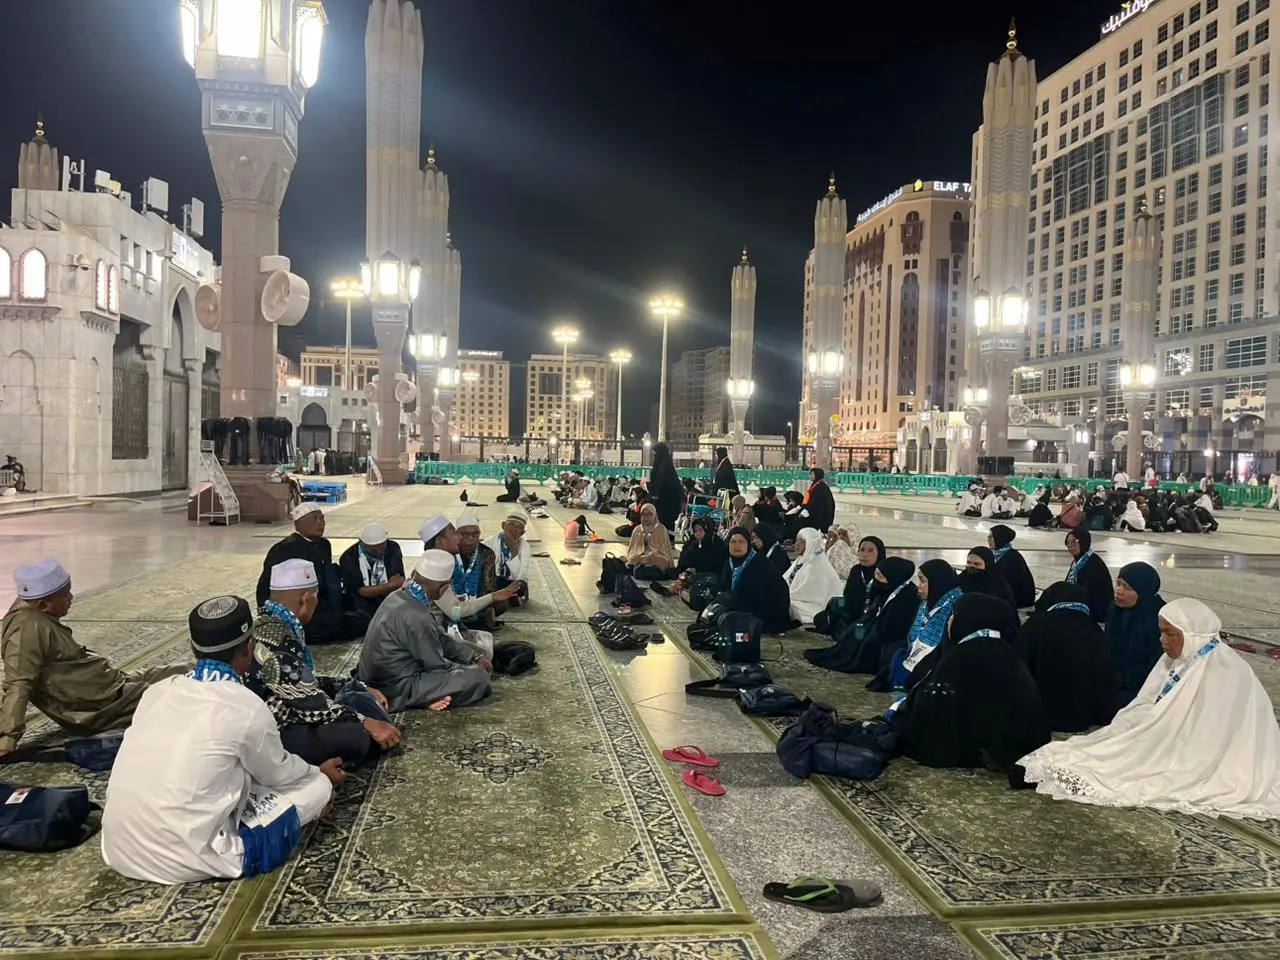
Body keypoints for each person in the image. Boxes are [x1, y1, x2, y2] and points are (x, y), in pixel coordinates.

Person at [100, 595, 340, 884]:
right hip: (188, 856)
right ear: (250, 647)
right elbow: (280, 774)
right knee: (316, 787)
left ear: (192, 648)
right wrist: (318, 773)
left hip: (118, 848)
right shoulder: (244, 705)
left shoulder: (157, 692)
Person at [1019, 598, 1280, 819]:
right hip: (1168, 734)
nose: (1162, 640)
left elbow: (1210, 738)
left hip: (1209, 753)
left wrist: (1157, 734)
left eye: (1170, 634)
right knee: (1095, 752)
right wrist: (1133, 724)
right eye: (1162, 632)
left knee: (1135, 771)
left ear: (1192, 636)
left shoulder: (1226, 673)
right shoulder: (1178, 659)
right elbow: (1148, 699)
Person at [0, 559, 186, 756]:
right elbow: (18, 684)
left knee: (185, 669)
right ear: (43, 604)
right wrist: (7, 740)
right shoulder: (26, 631)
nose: (71, 598)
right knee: (182, 692)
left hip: (110, 686)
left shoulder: (34, 612)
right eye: (65, 596)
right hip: (99, 707)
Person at [248, 558, 400, 766]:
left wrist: (351, 684)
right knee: (355, 736)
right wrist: (365, 722)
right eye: (316, 596)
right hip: (272, 731)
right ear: (306, 598)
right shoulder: (278, 639)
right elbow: (308, 703)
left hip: (286, 708)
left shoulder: (272, 623)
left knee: (355, 691)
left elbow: (300, 682)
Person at [892, 593, 1049, 787]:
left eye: (953, 616)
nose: (949, 621)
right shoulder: (1008, 653)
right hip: (1009, 743)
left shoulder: (958, 658)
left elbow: (934, 710)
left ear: (967, 620)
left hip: (966, 745)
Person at [358, 551, 493, 711]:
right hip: (394, 686)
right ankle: (418, 699)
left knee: (466, 658)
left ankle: (431, 693)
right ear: (444, 588)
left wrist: (472, 656)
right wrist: (462, 668)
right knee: (478, 677)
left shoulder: (400, 595)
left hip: (376, 676)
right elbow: (435, 665)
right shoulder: (417, 614)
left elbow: (437, 637)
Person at [257, 503, 362, 644]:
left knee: (362, 617)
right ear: (298, 523)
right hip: (302, 611)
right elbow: (267, 587)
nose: (321, 523)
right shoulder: (284, 549)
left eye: (322, 518)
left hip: (324, 605)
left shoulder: (324, 544)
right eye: (315, 518)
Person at [1019, 582, 1117, 732]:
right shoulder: (1093, 629)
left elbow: (1020, 666)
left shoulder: (1036, 625)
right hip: (1083, 715)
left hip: (1042, 715)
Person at [805, 556, 917, 676]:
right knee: (852, 631)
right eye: (876, 574)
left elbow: (891, 629)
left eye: (880, 576)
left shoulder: (906, 599)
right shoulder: (860, 573)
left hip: (888, 639)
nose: (875, 579)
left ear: (893, 577)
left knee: (862, 640)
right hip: (866, 621)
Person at [419, 514, 521, 629]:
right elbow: (455, 612)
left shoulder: (431, 561)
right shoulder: (435, 569)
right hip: (430, 630)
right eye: (454, 534)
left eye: (475, 534)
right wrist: (493, 597)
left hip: (444, 617)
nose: (458, 538)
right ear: (440, 541)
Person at [879, 559, 964, 691]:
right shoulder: (926, 603)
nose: (919, 585)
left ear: (937, 582)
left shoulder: (957, 606)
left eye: (923, 580)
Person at [1106, 561, 1165, 708]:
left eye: (1127, 587)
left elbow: (1159, 662)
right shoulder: (1114, 609)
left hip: (1144, 686)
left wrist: (1128, 677)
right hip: (1112, 679)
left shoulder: (1157, 616)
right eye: (1118, 584)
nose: (1119, 590)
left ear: (1142, 591)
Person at [713, 526, 791, 633]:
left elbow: (757, 598)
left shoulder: (759, 564)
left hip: (766, 614)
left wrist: (727, 601)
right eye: (733, 542)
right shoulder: (729, 562)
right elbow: (724, 588)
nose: (737, 546)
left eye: (741, 542)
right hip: (744, 604)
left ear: (748, 544)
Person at [814, 535, 886, 636]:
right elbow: (847, 596)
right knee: (821, 617)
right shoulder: (856, 570)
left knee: (857, 636)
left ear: (880, 553)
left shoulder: (883, 574)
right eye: (862, 550)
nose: (864, 555)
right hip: (852, 614)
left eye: (870, 551)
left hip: (872, 618)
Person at [338, 523, 406, 621]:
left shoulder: (392, 547)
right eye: (373, 550)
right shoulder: (349, 557)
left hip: (387, 597)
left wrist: (373, 590)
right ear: (362, 544)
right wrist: (389, 586)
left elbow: (399, 581)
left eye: (382, 548)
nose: (379, 552)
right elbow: (361, 591)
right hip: (360, 603)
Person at [453, 512, 507, 633]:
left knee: (502, 602)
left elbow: (489, 586)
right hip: (452, 600)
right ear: (457, 535)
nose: (471, 538)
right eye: (466, 534)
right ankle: (475, 620)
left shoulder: (486, 553)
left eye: (475, 534)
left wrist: (476, 602)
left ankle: (477, 617)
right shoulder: (450, 552)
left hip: (477, 600)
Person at [782, 528, 844, 624]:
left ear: (811, 544)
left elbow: (805, 595)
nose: (796, 544)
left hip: (812, 603)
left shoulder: (815, 565)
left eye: (801, 542)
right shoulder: (801, 560)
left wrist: (783, 595)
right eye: (797, 540)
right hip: (795, 597)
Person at [1064, 527, 1112, 623]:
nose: (1070, 546)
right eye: (1067, 542)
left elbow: (1090, 593)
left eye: (1074, 541)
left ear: (1083, 541)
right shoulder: (1079, 562)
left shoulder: (1093, 564)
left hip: (1096, 610)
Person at [484, 511, 533, 605]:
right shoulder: (489, 542)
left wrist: (514, 552)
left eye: (519, 527)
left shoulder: (525, 546)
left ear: (522, 533)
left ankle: (499, 598)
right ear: (503, 525)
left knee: (520, 584)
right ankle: (506, 598)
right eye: (511, 524)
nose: (514, 529)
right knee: (491, 582)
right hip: (493, 581)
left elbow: (519, 575)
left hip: (511, 583)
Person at [959, 547, 1020, 620]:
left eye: (976, 564)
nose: (972, 567)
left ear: (988, 565)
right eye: (969, 563)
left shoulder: (996, 584)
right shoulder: (963, 577)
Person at [989, 525, 1036, 608]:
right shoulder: (1001, 554)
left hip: (1017, 599)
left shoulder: (1012, 558)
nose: (988, 539)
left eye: (991, 536)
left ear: (1000, 538)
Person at [626, 502, 677, 579]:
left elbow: (664, 550)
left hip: (657, 555)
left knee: (663, 560)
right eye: (644, 514)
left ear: (654, 515)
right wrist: (641, 553)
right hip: (640, 555)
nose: (646, 517)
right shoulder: (637, 529)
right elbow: (632, 549)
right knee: (633, 559)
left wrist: (653, 553)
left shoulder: (661, 529)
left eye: (649, 514)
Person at [675, 517, 727, 582]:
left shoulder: (717, 544)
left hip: (711, 580)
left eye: (700, 530)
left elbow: (718, 568)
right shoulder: (692, 543)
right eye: (695, 531)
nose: (698, 533)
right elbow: (682, 564)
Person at [648, 442, 684, 533]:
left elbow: (660, 487)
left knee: (663, 529)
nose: (654, 457)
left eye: (655, 454)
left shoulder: (663, 470)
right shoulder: (667, 468)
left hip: (663, 505)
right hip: (669, 506)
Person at [798, 467, 835, 534]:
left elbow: (815, 502)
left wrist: (804, 512)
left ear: (817, 475)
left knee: (798, 521)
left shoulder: (820, 487)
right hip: (817, 513)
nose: (810, 476)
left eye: (812, 474)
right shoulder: (817, 484)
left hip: (821, 517)